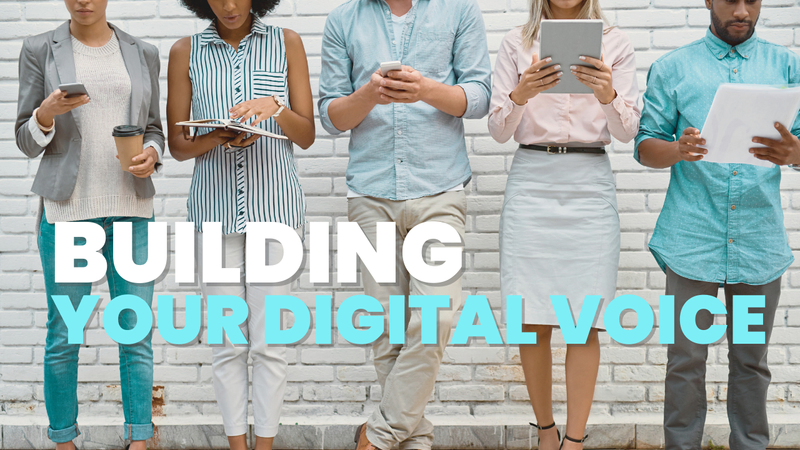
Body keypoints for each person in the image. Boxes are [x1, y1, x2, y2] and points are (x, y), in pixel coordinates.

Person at [318, 0, 491, 449]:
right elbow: (332, 118)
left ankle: (377, 436)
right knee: (386, 330)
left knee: (437, 317)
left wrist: (426, 90)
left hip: (440, 189)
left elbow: (479, 98)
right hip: (371, 194)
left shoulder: (460, 11)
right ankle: (413, 439)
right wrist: (368, 95)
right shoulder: (342, 20)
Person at [635, 0, 800, 447]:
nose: (742, 10)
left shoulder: (788, 66)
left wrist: (795, 153)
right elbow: (645, 146)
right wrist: (678, 149)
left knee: (750, 361)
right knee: (686, 359)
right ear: (709, 0)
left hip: (757, 243)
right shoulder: (673, 68)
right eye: (731, 0)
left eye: (752, 0)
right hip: (692, 241)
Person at [488, 0, 640, 447]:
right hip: (532, 179)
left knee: (583, 321)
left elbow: (629, 131)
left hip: (589, 182)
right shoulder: (515, 42)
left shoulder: (616, 42)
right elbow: (498, 130)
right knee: (530, 317)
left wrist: (608, 94)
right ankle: (546, 431)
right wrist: (521, 94)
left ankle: (574, 440)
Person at [14, 0, 164, 448]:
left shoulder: (143, 51)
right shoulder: (40, 47)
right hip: (67, 214)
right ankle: (63, 440)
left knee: (134, 332)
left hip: (132, 211)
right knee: (65, 335)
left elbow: (153, 127)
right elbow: (25, 137)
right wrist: (47, 113)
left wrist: (152, 154)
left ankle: (139, 439)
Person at [166, 0, 314, 449]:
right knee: (228, 343)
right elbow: (177, 144)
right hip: (213, 211)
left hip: (276, 213)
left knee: (270, 344)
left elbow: (305, 134)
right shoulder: (184, 51)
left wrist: (274, 107)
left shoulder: (286, 42)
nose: (229, 5)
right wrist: (219, 135)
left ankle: (264, 446)